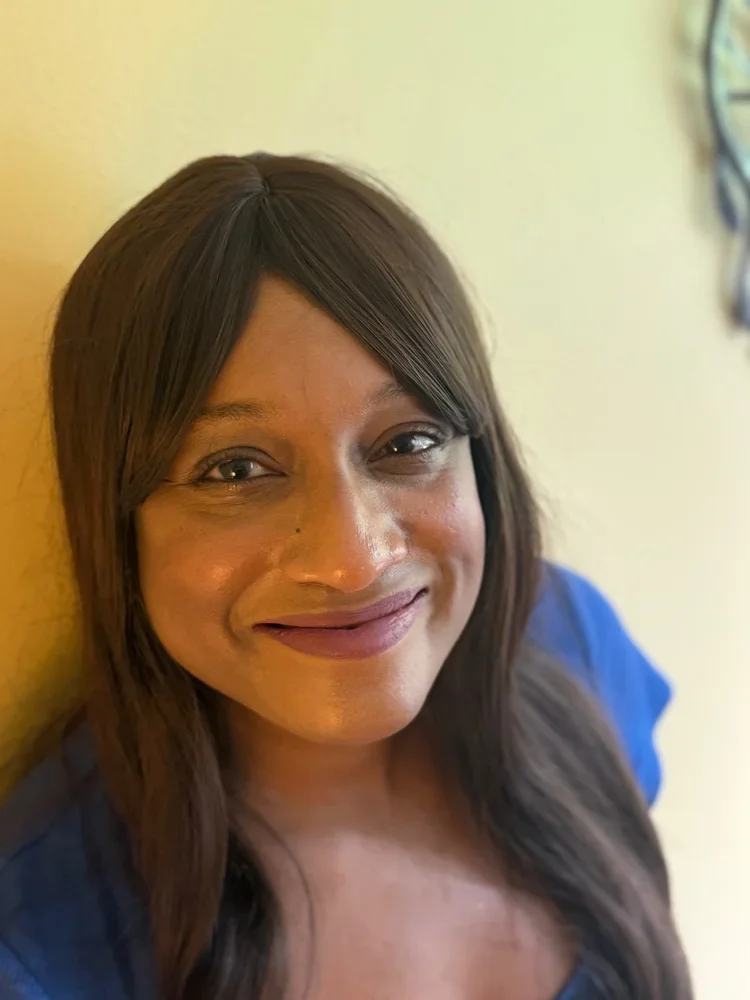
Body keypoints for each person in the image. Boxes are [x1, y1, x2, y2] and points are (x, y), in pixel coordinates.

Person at [0, 154, 691, 1000]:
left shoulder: (570, 638)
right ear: (117, 526)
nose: (353, 559)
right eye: (234, 470)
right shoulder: (36, 945)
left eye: (405, 443)